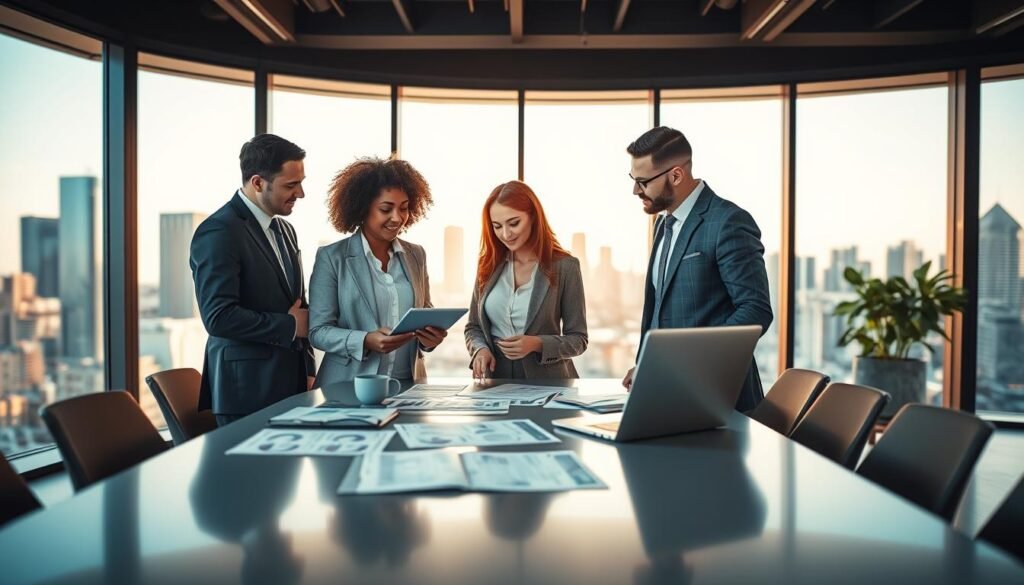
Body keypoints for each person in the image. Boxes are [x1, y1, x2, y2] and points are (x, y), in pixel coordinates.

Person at [623, 126, 772, 411]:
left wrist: (691, 365)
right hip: (668, 393)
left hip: (719, 395)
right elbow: (659, 310)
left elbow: (755, 310)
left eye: (642, 182)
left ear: (676, 175)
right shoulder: (662, 224)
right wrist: (645, 367)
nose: (635, 190)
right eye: (633, 179)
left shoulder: (728, 221)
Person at [190, 134, 316, 427]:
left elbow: (299, 306)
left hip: (292, 386)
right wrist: (288, 326)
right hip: (246, 393)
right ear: (258, 183)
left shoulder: (286, 230)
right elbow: (218, 317)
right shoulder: (219, 232)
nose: (301, 193)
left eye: (301, 182)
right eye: (291, 185)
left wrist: (308, 368)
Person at [308, 156, 446, 386]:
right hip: (348, 385)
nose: (397, 218)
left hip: (407, 385)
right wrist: (364, 340)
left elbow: (424, 311)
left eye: (404, 209)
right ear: (363, 209)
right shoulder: (332, 258)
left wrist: (430, 339)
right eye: (386, 209)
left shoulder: (416, 255)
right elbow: (318, 331)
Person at [465, 180, 588, 379]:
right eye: (497, 226)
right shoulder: (487, 265)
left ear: (533, 217)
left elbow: (579, 339)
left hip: (550, 383)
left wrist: (537, 344)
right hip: (495, 382)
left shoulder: (566, 267)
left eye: (514, 223)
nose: (505, 234)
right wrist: (480, 349)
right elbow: (474, 327)